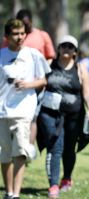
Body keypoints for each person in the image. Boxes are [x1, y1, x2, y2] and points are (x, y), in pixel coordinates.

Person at [36, 35, 89, 198]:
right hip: (49, 113)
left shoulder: (80, 68)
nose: (67, 49)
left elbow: (87, 92)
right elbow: (39, 85)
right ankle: (53, 185)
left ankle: (67, 178)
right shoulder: (50, 65)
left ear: (75, 51)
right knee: (55, 146)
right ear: (59, 48)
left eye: (70, 46)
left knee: (69, 149)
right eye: (64, 46)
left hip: (74, 115)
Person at [0, 19, 51, 199]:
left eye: (22, 33)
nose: (20, 37)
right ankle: (8, 191)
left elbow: (44, 80)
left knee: (20, 151)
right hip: (2, 111)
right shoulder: (1, 55)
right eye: (15, 33)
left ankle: (15, 193)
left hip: (23, 111)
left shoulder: (34, 54)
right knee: (5, 154)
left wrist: (29, 84)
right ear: (7, 36)